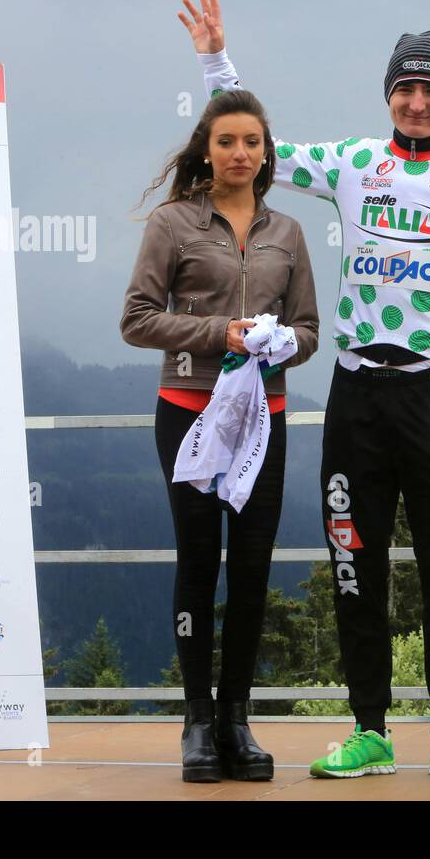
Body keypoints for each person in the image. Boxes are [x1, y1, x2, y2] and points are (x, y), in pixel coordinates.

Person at [178, 0, 430, 780]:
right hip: (357, 393)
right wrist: (214, 61)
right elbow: (263, 151)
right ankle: (369, 728)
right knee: (352, 562)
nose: (416, 101)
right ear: (388, 95)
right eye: (404, 87)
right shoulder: (355, 165)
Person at [121, 88, 320, 783]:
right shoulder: (172, 223)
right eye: (228, 141)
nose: (241, 153)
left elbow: (311, 334)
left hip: (263, 416)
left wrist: (278, 342)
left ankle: (238, 719)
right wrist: (217, 333)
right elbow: (137, 318)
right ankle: (197, 722)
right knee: (200, 560)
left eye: (253, 143)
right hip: (188, 411)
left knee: (255, 567)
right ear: (207, 147)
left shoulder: (288, 231)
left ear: (268, 152)